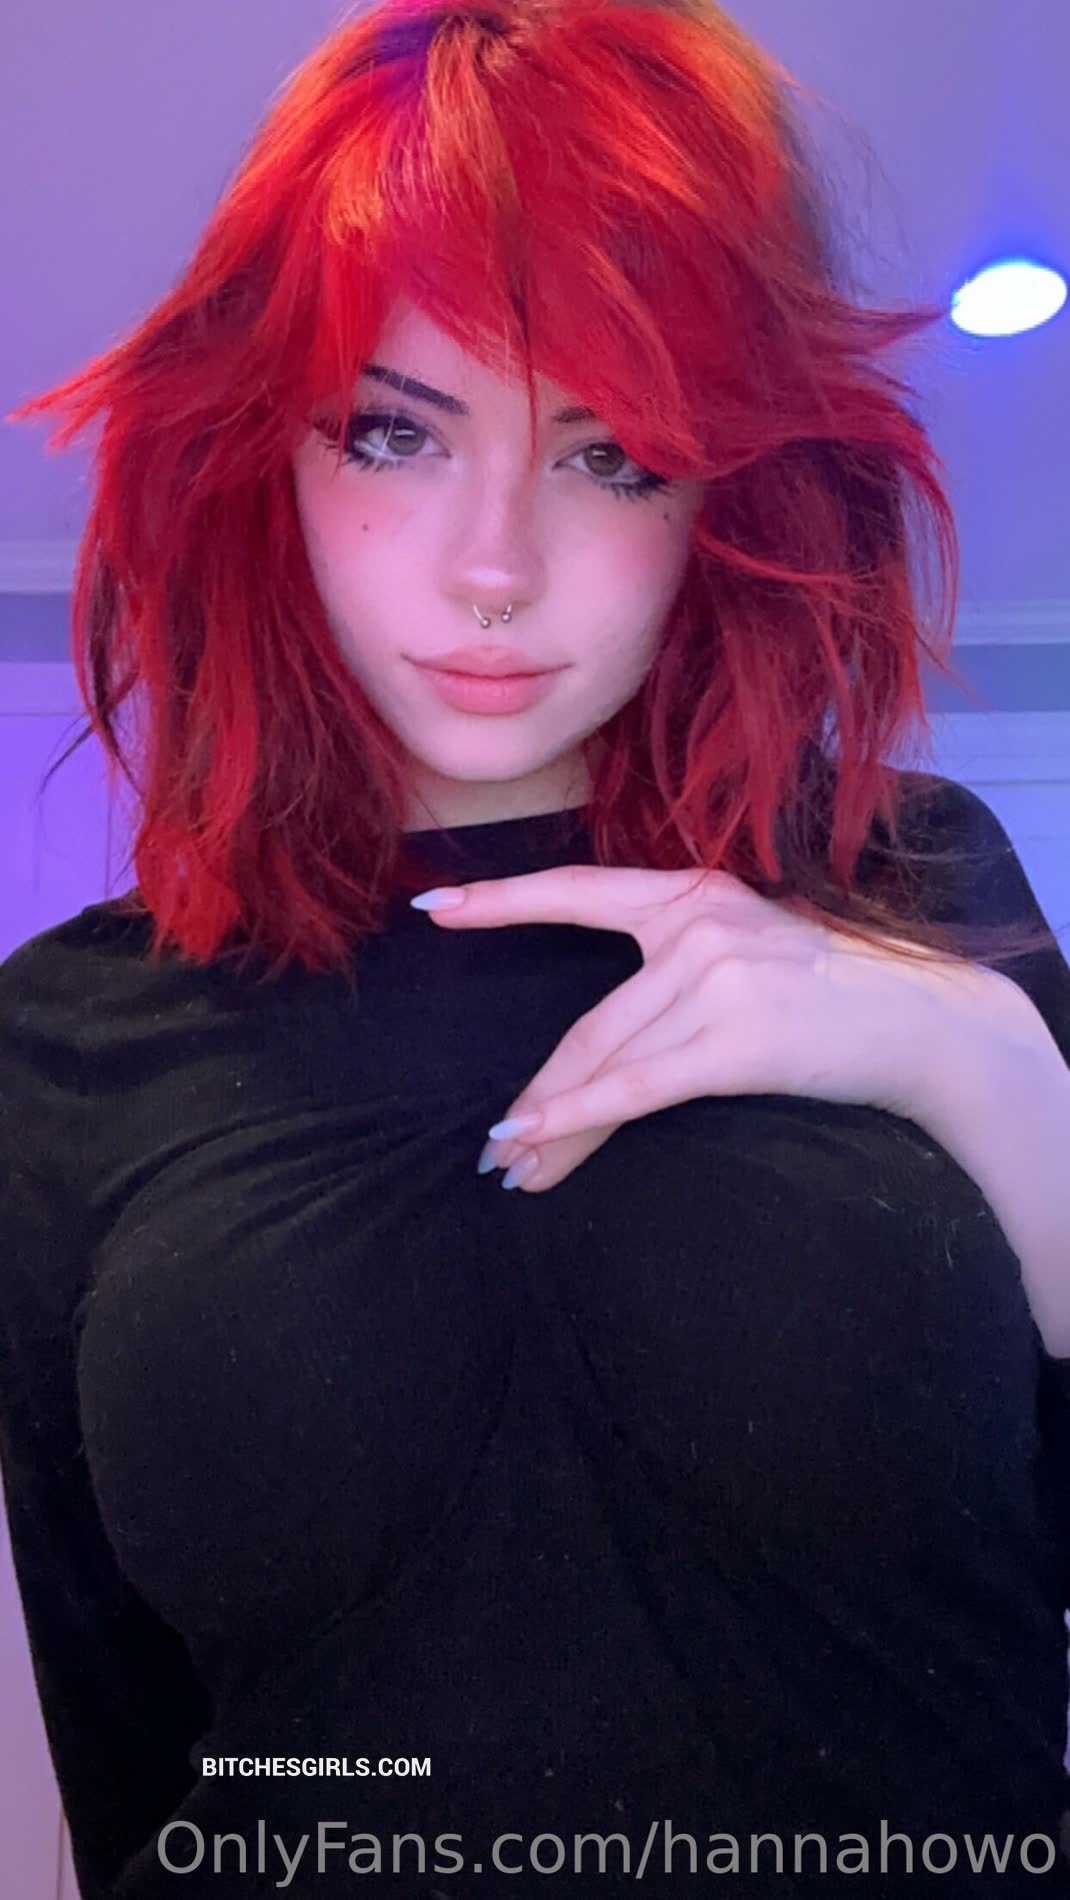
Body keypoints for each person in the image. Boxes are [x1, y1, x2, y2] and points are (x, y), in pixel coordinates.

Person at [3, 0, 1070, 1894]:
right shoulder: (64, 1046)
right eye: (392, 434)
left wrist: (973, 1060)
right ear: (267, 453)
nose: (491, 566)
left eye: (612, 454)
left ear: (723, 489)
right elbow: (142, 1756)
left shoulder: (905, 885)